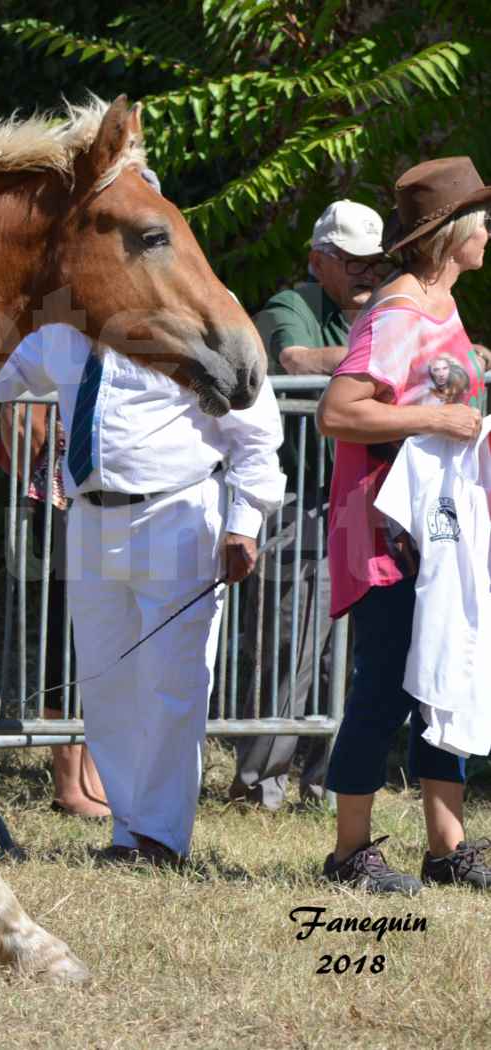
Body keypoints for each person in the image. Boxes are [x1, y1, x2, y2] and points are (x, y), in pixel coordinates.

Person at [0, 167, 286, 865]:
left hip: (176, 513)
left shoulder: (193, 315)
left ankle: (159, 836)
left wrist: (243, 521)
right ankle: (127, 828)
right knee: (105, 683)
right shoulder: (62, 322)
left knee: (172, 684)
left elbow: (254, 431)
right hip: (89, 518)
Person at [315, 156, 491, 894]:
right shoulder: (397, 312)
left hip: (437, 530)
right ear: (453, 233)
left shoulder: (439, 306)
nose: (490, 230)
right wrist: (436, 414)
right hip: (386, 531)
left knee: (443, 677)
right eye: (482, 218)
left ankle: (445, 849)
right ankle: (349, 853)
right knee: (383, 686)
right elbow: (337, 411)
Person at [231, 201, 387, 810]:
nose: (365, 272)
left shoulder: (380, 309)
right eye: (350, 261)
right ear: (318, 260)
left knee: (345, 654)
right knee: (286, 645)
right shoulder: (291, 305)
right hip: (298, 500)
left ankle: (325, 781)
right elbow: (293, 361)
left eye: (373, 261)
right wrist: (383, 361)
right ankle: (258, 787)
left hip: (360, 503)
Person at [0, 401, 110, 818]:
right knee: (67, 635)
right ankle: (70, 783)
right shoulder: (49, 342)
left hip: (104, 497)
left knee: (103, 636)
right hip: (63, 498)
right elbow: (21, 419)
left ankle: (96, 778)